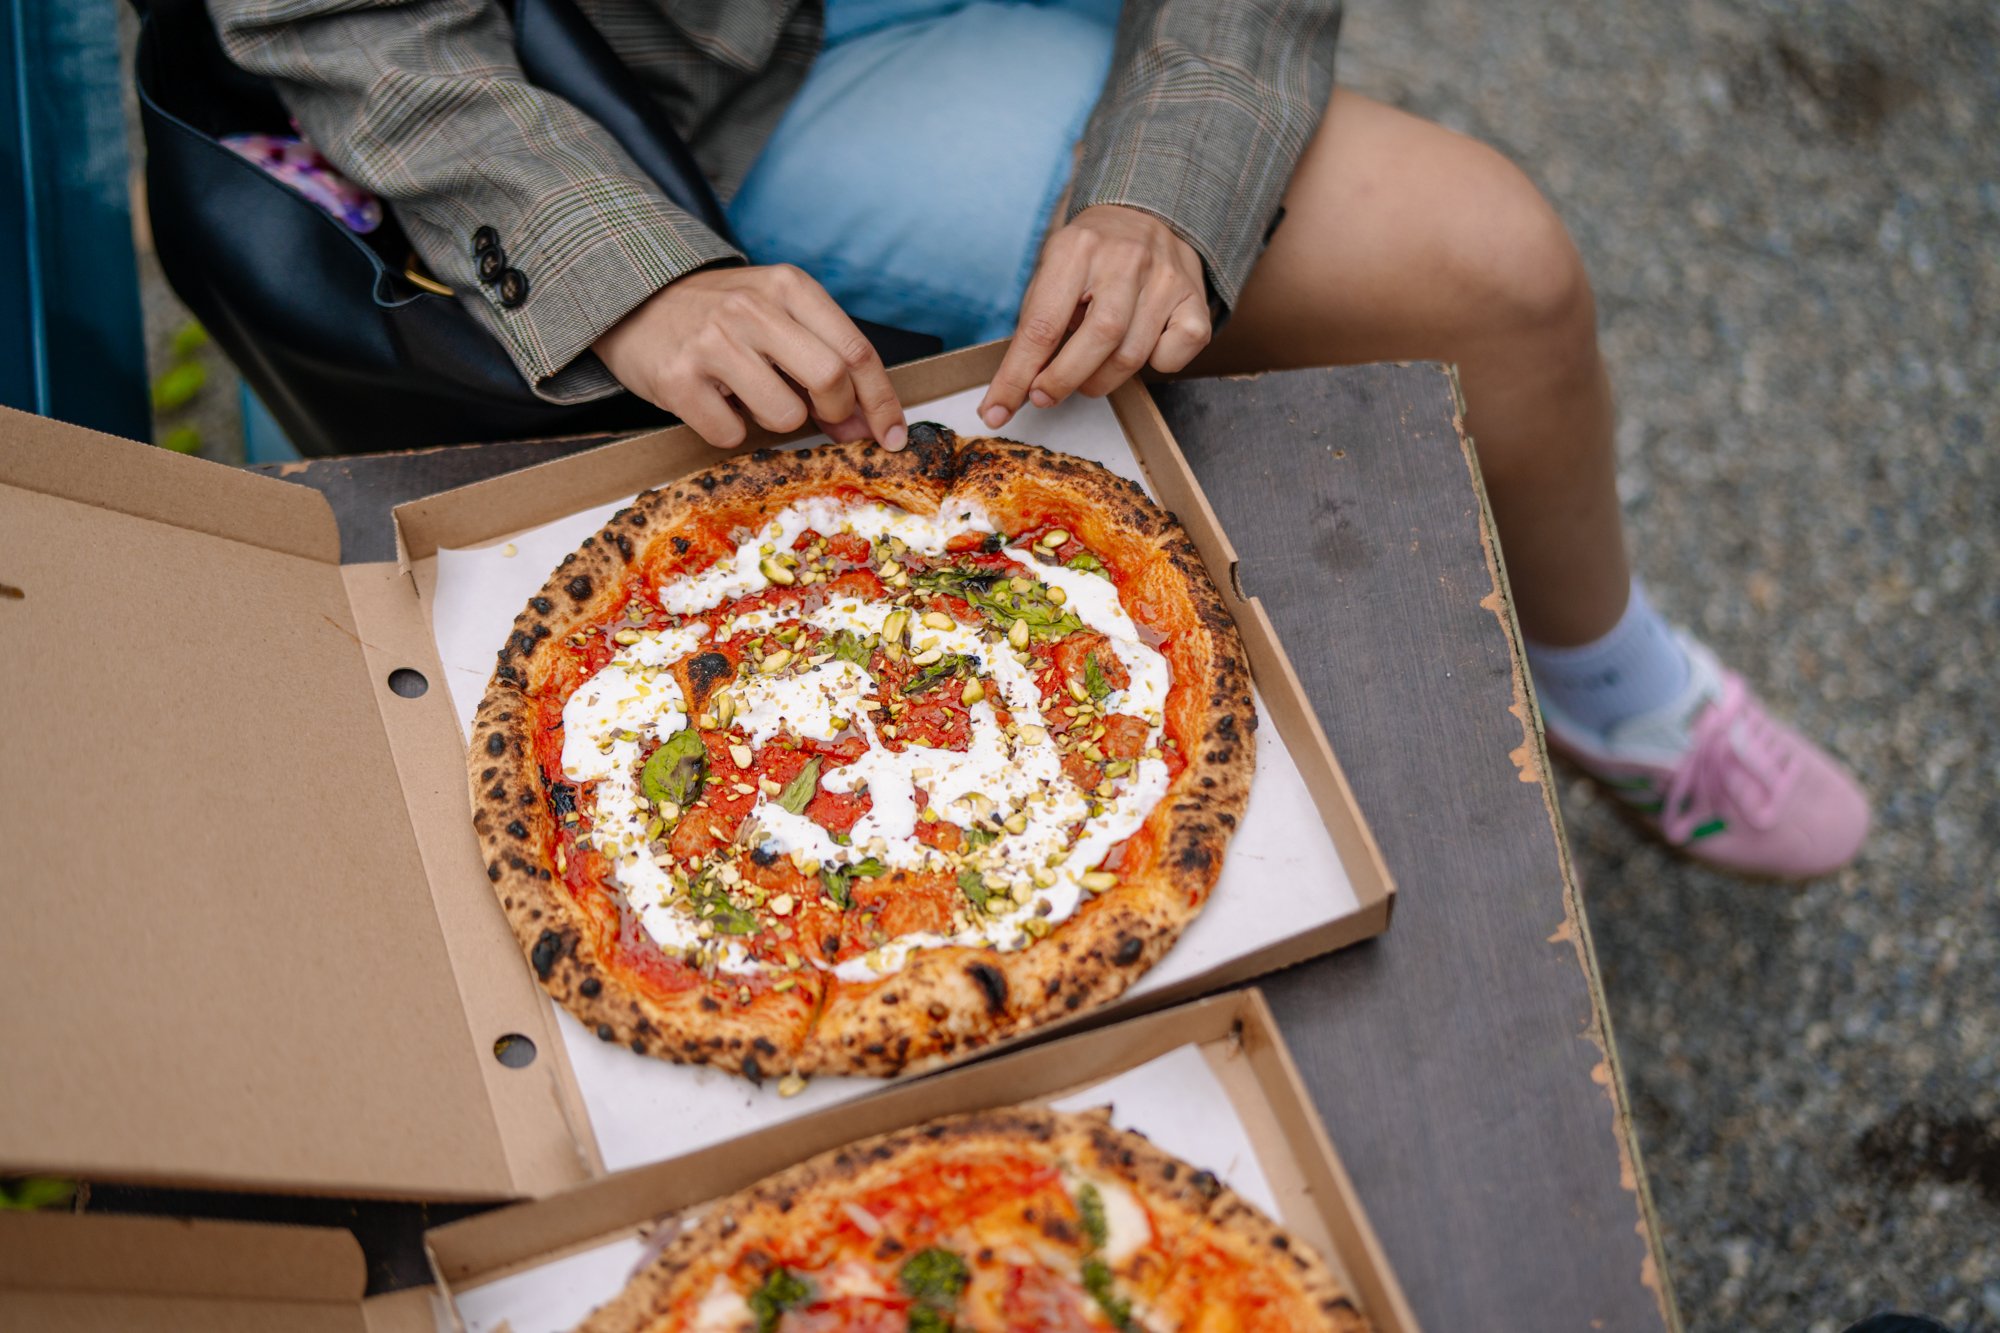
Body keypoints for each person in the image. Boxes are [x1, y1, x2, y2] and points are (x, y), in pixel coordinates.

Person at [212, 0, 1869, 877]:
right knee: (1483, 256)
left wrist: (1174, 175)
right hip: (742, 62)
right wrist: (625, 270)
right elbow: (337, 17)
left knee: (1499, 283)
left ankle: (1607, 684)